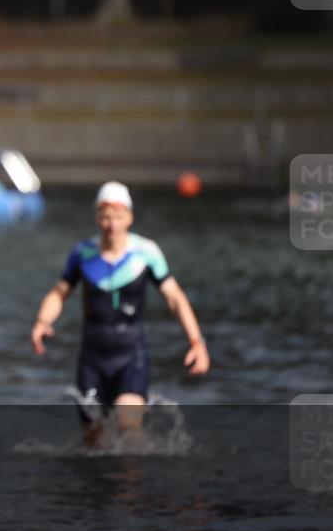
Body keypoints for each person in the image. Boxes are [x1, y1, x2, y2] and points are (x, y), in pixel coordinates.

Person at [31, 181, 209, 445]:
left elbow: (175, 297)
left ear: (130, 218)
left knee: (128, 426)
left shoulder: (146, 253)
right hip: (92, 359)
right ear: (97, 218)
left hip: (130, 356)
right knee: (92, 439)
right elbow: (60, 293)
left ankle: (133, 484)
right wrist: (43, 321)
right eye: (105, 217)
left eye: (118, 217)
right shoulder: (83, 253)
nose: (111, 224)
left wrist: (197, 342)